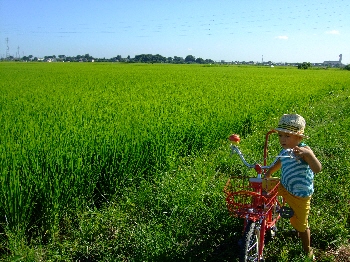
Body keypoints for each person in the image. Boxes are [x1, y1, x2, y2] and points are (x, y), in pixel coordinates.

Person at [265, 114, 322, 259]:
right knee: (265, 189)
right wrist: (270, 172)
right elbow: (279, 163)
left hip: (300, 194)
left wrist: (308, 155)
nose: (282, 140)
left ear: (299, 138)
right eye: (280, 135)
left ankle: (307, 248)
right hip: (284, 186)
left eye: (287, 136)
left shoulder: (303, 151)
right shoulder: (284, 151)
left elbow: (317, 168)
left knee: (302, 225)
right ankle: (266, 214)